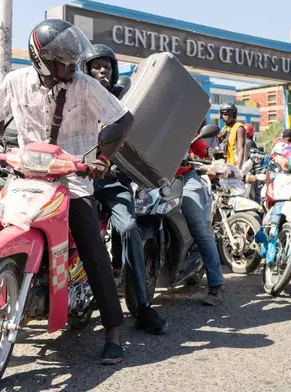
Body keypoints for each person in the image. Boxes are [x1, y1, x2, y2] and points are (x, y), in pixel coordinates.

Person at [0, 19, 134, 364]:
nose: (71, 67)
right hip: (26, 179)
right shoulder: (15, 81)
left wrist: (104, 159)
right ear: (41, 60)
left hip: (73, 180)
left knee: (94, 252)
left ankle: (112, 330)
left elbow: (122, 120)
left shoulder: (84, 85)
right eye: (63, 60)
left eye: (71, 60)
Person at [80, 44, 167, 334]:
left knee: (129, 228)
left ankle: (141, 307)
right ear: (86, 69)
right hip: (79, 180)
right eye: (96, 65)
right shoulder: (76, 99)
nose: (102, 70)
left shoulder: (126, 100)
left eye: (107, 65)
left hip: (114, 181)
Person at [178, 119, 226, 305]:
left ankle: (216, 284)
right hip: (152, 176)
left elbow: (195, 141)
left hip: (183, 176)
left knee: (199, 226)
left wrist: (209, 152)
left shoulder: (180, 119)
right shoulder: (148, 117)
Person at [218, 103, 246, 169]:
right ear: (221, 115)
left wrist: (239, 168)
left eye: (230, 114)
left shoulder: (239, 127)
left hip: (237, 165)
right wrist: (220, 137)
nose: (227, 116)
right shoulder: (223, 129)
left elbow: (240, 149)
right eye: (225, 114)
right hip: (227, 165)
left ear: (234, 115)